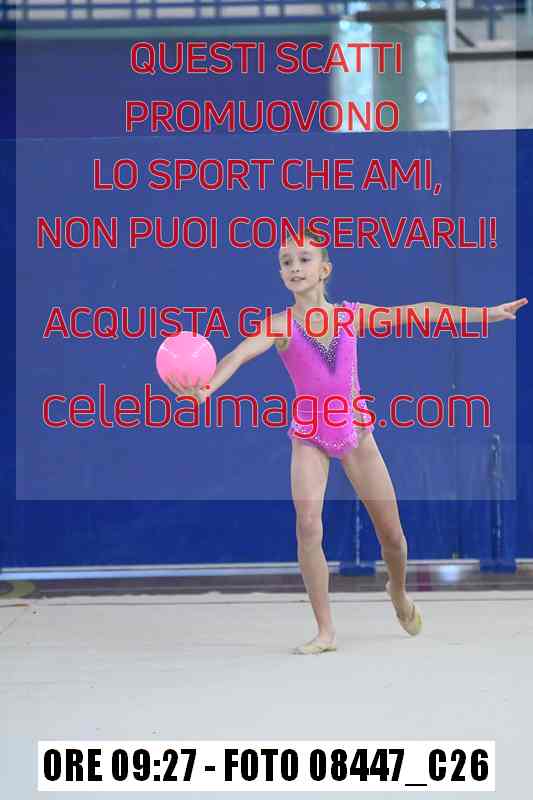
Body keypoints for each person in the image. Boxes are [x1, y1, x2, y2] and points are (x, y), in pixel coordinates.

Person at [165, 229, 528, 655]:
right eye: (286, 262)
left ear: (325, 269)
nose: (295, 268)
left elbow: (422, 312)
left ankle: (397, 591)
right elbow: (237, 355)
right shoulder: (280, 325)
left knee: (393, 538)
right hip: (310, 435)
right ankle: (325, 631)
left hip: (354, 432)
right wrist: (206, 388)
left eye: (304, 259)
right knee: (307, 526)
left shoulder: (349, 316)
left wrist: (487, 314)